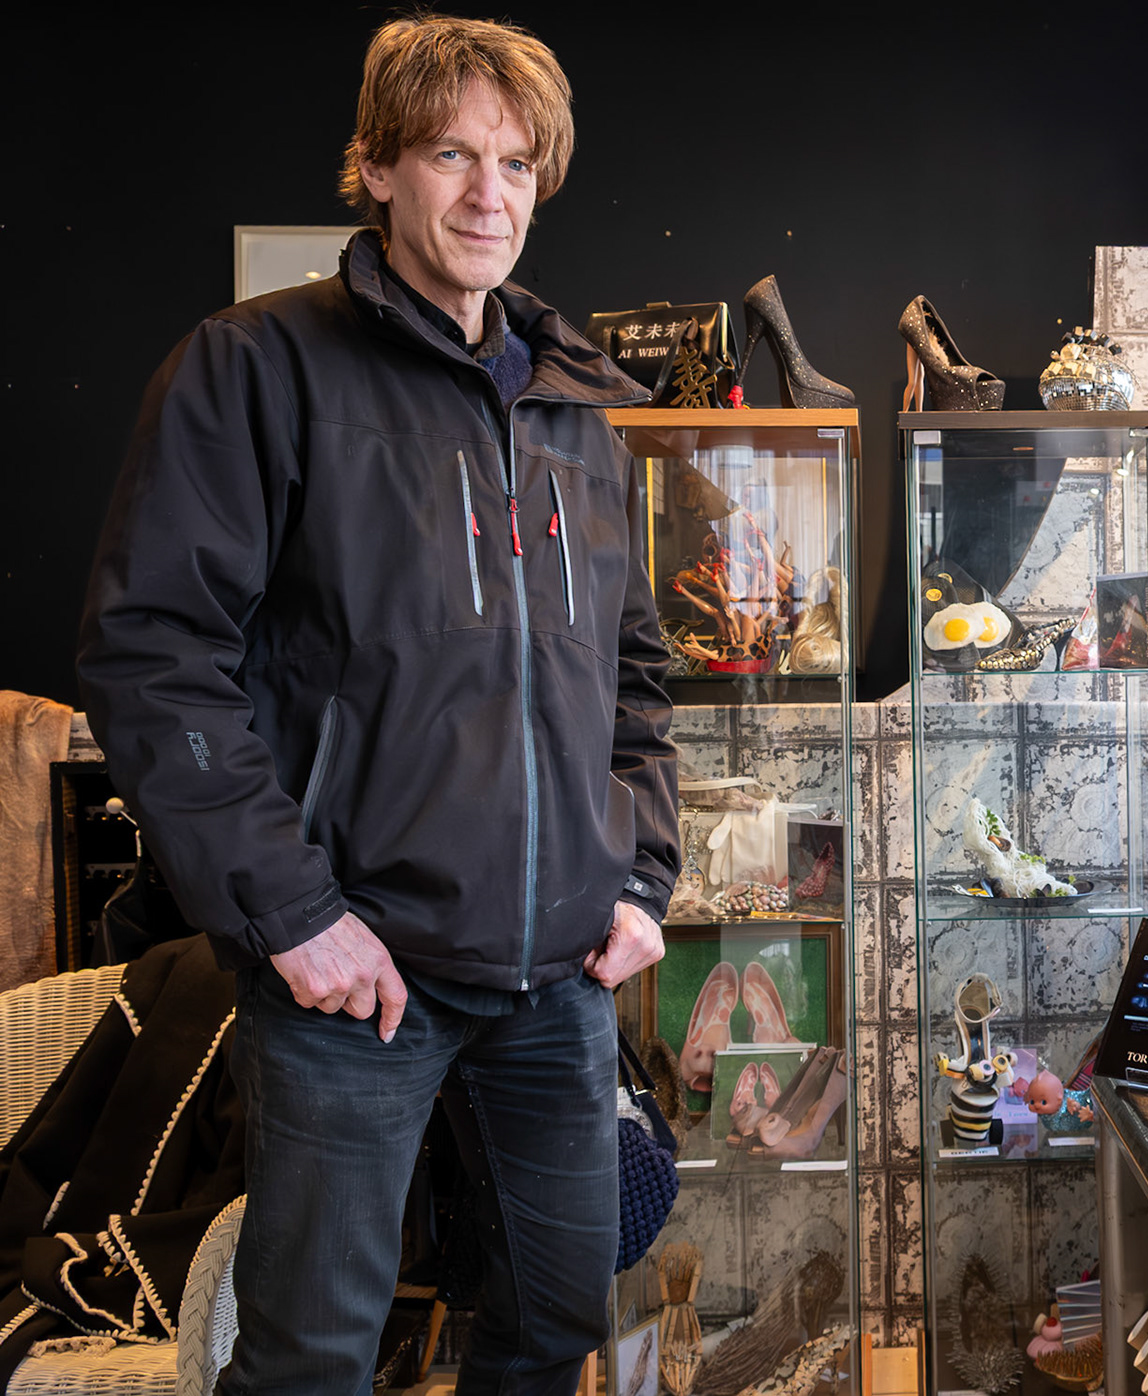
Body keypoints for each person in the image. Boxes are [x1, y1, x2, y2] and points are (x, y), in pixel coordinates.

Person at [75, 15, 679, 1392]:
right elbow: (152, 653)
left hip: (557, 983)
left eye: (517, 163)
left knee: (554, 1323)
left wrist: (638, 872)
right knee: (313, 1359)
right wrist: (292, 914)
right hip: (359, 983)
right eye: (452, 155)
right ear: (377, 168)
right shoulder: (254, 370)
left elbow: (631, 675)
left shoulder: (572, 413)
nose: (488, 193)